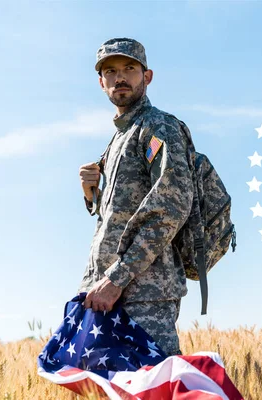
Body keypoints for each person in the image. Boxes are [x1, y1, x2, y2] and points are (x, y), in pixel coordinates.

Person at [77, 37, 195, 356]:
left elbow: (171, 207)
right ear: (101, 83)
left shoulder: (158, 128)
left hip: (144, 297)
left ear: (147, 76)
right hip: (103, 294)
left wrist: (116, 278)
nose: (120, 77)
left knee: (153, 388)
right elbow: (120, 215)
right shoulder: (117, 139)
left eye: (129, 68)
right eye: (111, 71)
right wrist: (93, 197)